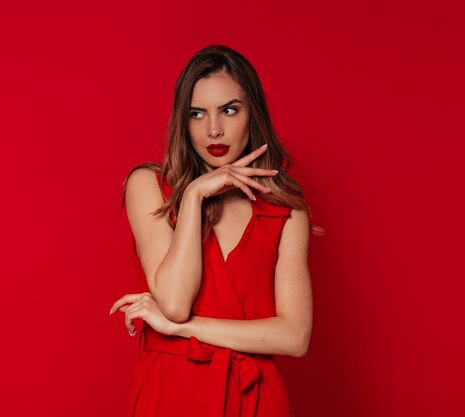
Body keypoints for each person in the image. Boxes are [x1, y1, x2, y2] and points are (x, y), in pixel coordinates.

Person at [109, 44, 320, 417]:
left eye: (229, 110)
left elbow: (295, 336)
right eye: (197, 113)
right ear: (182, 121)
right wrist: (192, 196)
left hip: (255, 398)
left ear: (252, 113)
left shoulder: (286, 212)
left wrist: (180, 330)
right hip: (170, 394)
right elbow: (174, 302)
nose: (214, 129)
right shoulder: (150, 186)